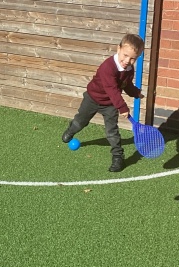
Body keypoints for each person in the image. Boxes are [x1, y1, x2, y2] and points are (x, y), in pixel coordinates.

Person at [61, 33, 145, 172]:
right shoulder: (108, 67)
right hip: (92, 98)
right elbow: (112, 89)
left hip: (109, 104)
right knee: (81, 121)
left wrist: (135, 92)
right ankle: (71, 131)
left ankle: (118, 157)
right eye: (125, 55)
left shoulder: (129, 69)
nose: (127, 61)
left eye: (132, 58)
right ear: (118, 49)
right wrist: (122, 107)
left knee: (112, 131)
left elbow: (126, 84)